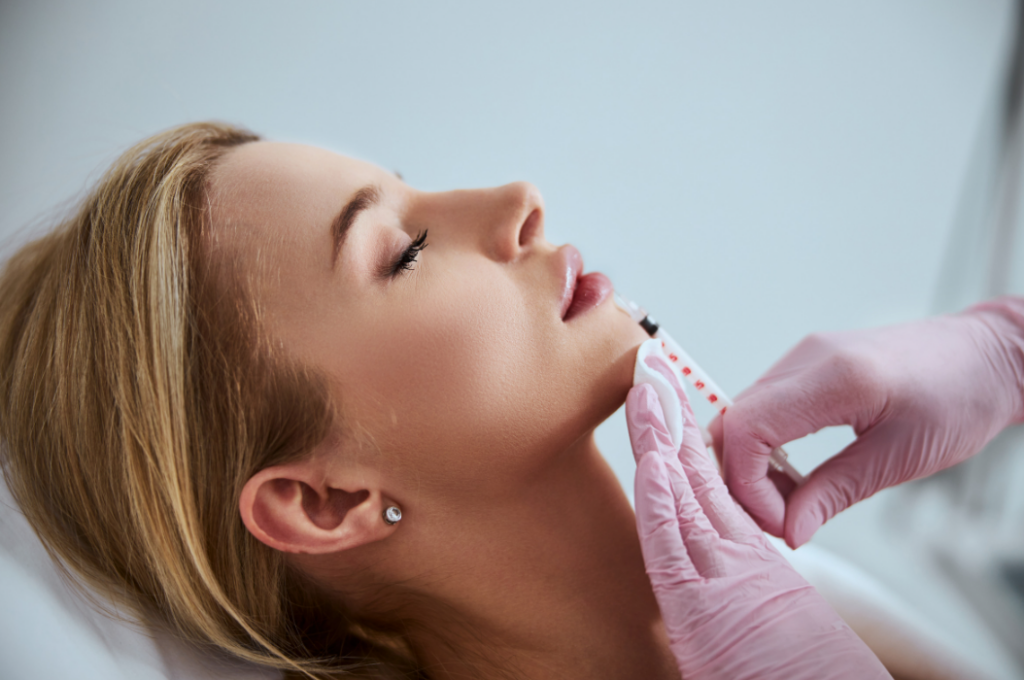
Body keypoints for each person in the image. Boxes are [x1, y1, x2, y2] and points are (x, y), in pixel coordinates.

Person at [0, 121, 975, 680]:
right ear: (325, 501)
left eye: (411, 186)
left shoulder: (791, 602)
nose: (518, 198)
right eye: (404, 252)